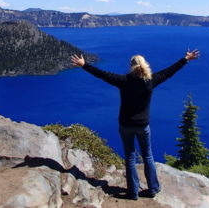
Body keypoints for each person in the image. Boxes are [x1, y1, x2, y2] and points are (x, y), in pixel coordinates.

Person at [71, 49, 200, 200]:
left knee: (130, 157)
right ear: (145, 65)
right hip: (143, 125)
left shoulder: (124, 81)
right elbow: (170, 71)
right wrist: (185, 59)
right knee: (147, 155)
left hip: (126, 125)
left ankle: (133, 193)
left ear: (131, 66)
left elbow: (102, 74)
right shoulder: (151, 81)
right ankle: (153, 188)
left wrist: (84, 65)